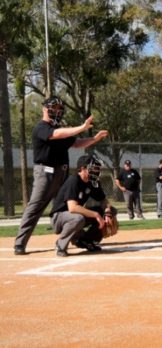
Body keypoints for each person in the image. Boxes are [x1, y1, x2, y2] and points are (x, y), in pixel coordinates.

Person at [14, 96, 108, 255]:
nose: (57, 111)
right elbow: (56, 134)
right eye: (54, 108)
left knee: (69, 207)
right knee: (35, 207)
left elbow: (76, 143)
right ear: (45, 109)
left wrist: (94, 139)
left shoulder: (61, 130)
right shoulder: (42, 128)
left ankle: (77, 238)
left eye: (59, 109)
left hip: (62, 173)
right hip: (45, 173)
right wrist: (82, 127)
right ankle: (20, 243)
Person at [50, 155, 115, 256]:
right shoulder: (73, 180)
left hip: (74, 215)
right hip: (59, 217)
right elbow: (72, 207)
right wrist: (96, 215)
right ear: (82, 168)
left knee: (111, 211)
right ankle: (60, 244)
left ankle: (85, 241)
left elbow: (104, 200)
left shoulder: (93, 182)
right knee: (78, 218)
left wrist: (108, 213)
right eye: (93, 168)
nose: (96, 171)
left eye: (97, 168)